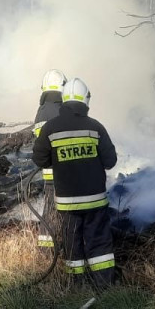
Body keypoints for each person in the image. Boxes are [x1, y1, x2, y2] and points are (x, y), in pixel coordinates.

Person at [31, 77, 118, 286]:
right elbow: (110, 161)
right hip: (95, 201)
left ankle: (76, 285)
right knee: (99, 242)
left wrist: (59, 157)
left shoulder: (51, 128)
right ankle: (103, 284)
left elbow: (39, 159)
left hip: (67, 203)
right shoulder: (95, 127)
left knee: (72, 242)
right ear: (85, 100)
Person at [32, 69, 68, 250]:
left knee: (50, 210)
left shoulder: (41, 112)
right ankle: (61, 248)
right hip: (63, 171)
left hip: (48, 173)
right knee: (65, 211)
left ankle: (46, 249)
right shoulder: (62, 110)